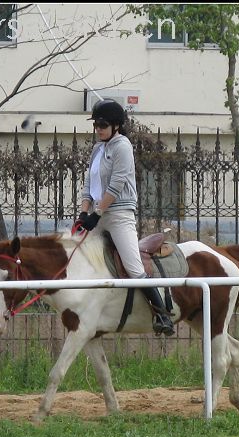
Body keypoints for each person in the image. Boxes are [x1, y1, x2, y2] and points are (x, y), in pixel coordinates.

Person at [78, 99, 175, 336]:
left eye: (102, 124)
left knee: (133, 266)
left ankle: (162, 313)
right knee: (81, 257)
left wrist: (97, 213)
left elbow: (116, 183)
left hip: (119, 215)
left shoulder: (123, 146)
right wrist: (83, 212)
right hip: (97, 215)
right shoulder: (97, 149)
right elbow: (90, 183)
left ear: (116, 126)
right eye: (96, 125)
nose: (98, 129)